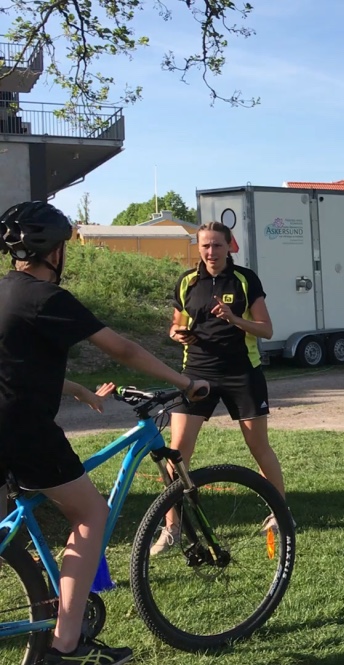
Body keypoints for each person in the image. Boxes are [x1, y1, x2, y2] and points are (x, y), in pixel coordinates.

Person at [0, 201, 208, 665]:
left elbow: (16, 364)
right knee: (90, 514)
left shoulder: (4, 292)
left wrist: (76, 389)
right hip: (23, 430)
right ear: (54, 251)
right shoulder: (47, 298)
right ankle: (66, 646)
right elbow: (122, 349)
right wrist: (184, 382)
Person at [155, 221, 283, 554]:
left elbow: (266, 329)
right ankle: (172, 529)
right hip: (197, 374)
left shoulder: (244, 279)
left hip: (242, 373)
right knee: (177, 453)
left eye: (217, 245)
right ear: (198, 247)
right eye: (205, 246)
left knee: (259, 447)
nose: (211, 252)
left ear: (229, 247)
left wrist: (234, 318)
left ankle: (280, 516)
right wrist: (177, 334)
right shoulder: (187, 281)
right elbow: (176, 324)